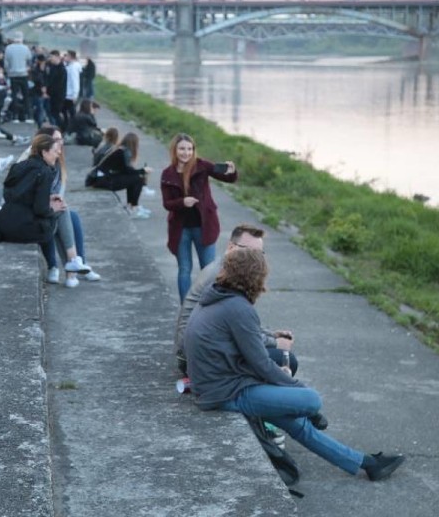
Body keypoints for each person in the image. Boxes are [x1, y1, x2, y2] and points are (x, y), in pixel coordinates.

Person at [184, 249, 406, 482]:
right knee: (311, 400)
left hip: (219, 386)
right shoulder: (238, 308)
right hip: (226, 393)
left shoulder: (218, 296)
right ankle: (317, 419)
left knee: (298, 423)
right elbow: (261, 364)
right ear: (256, 278)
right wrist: (295, 387)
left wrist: (283, 383)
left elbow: (247, 352)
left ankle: (367, 464)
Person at [174, 224, 298, 378]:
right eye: (249, 251)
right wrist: (275, 343)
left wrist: (271, 334)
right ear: (231, 246)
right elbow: (234, 330)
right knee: (285, 360)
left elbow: (237, 324)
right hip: (195, 358)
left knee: (275, 358)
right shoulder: (222, 277)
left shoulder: (224, 268)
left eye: (260, 253)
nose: (255, 259)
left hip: (202, 350)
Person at [160, 133, 238, 302]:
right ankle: (185, 310)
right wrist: (183, 202)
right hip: (180, 229)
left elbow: (226, 177)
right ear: (175, 150)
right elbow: (167, 204)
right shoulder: (167, 174)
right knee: (184, 270)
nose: (185, 153)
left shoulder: (201, 166)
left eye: (189, 149)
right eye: (182, 149)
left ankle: (209, 307)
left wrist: (232, 172)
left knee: (209, 270)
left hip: (204, 226)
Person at [25, 125, 100, 288]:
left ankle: (75, 266)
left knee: (68, 214)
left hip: (43, 207)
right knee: (61, 214)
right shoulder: (32, 162)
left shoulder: (57, 161)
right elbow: (31, 194)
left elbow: (55, 193)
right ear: (45, 144)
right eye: (56, 140)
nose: (61, 143)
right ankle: (66, 266)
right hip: (28, 211)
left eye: (61, 139)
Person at [0, 134, 67, 244]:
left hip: (5, 225)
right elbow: (41, 209)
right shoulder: (45, 172)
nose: (58, 154)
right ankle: (64, 259)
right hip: (24, 228)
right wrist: (54, 209)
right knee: (54, 219)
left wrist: (47, 198)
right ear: (44, 152)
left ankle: (64, 260)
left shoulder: (17, 166)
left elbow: (15, 195)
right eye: (54, 151)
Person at [89, 132, 152, 219]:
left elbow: (125, 171)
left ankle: (131, 206)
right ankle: (133, 207)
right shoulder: (124, 152)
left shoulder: (120, 150)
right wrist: (143, 171)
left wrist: (140, 172)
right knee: (138, 179)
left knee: (134, 178)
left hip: (99, 179)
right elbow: (127, 170)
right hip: (104, 180)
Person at [3, 31, 32, 122]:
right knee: (26, 95)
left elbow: (6, 63)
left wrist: (8, 71)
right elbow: (29, 59)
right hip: (23, 74)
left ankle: (15, 116)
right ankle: (27, 116)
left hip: (12, 74)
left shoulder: (8, 48)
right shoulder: (26, 48)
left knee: (14, 95)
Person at [45, 50, 67, 130]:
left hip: (58, 95)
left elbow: (58, 84)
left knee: (56, 113)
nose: (50, 59)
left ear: (57, 57)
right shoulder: (52, 67)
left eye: (52, 57)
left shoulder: (62, 69)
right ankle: (57, 128)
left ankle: (62, 129)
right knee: (52, 113)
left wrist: (49, 91)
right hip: (52, 95)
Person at [62, 50, 82, 129]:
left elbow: (75, 81)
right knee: (69, 111)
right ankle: (71, 126)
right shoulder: (71, 66)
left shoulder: (73, 67)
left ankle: (70, 126)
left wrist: (75, 94)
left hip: (70, 94)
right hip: (68, 93)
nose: (65, 57)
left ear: (70, 57)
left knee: (68, 111)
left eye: (66, 56)